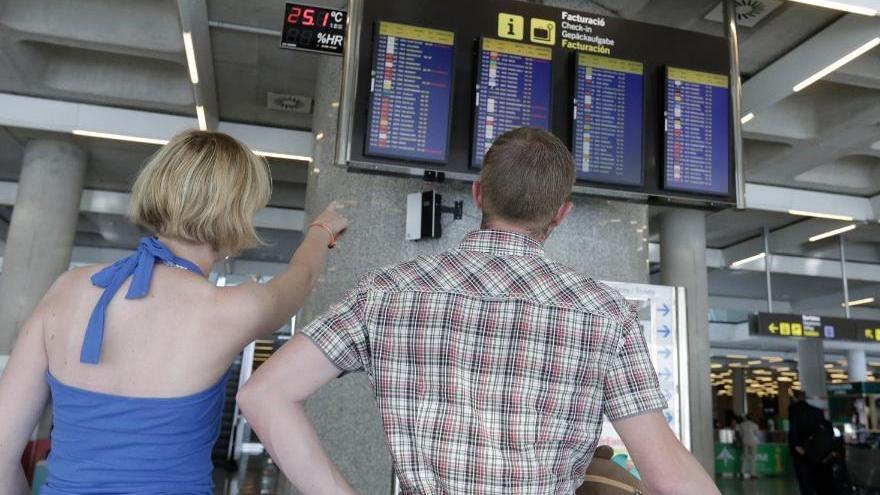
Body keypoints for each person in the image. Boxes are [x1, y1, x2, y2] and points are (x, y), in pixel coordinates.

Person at [238, 127, 719, 494]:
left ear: (478, 195)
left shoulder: (387, 291)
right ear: (561, 214)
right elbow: (668, 472)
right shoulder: (605, 316)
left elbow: (264, 396)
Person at [0, 130, 348, 495]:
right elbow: (303, 275)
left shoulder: (66, 290)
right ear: (238, 213)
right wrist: (322, 229)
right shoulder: (234, 308)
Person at [789, 390, 832, 495]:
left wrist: (794, 446)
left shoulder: (794, 410)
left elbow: (793, 430)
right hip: (817, 450)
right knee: (817, 477)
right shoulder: (817, 411)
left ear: (794, 398)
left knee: (804, 480)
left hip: (801, 449)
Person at [737, 414, 760, 479]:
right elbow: (757, 434)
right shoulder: (754, 425)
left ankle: (742, 473)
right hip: (753, 442)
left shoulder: (742, 425)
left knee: (744, 457)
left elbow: (740, 434)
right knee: (753, 458)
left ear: (746, 418)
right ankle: (752, 474)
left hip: (745, 442)